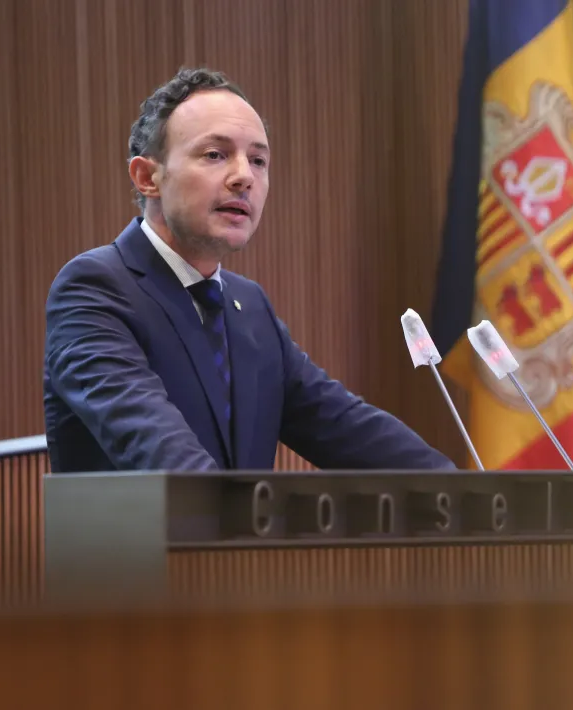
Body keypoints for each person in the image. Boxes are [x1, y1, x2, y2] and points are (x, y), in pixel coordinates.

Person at [43, 67, 455, 473]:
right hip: (139, 542)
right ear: (148, 177)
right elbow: (153, 444)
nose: (244, 177)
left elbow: (347, 428)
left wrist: (466, 494)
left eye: (258, 160)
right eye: (215, 155)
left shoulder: (248, 306)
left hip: (241, 541)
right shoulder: (96, 289)